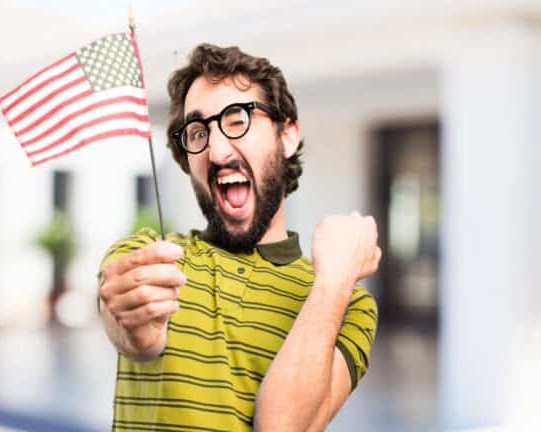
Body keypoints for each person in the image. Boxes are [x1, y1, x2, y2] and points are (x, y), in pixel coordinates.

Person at [97, 43, 380, 431]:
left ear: (287, 135)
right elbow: (133, 334)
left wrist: (333, 284)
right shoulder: (148, 255)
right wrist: (135, 326)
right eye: (198, 132)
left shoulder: (349, 305)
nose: (215, 152)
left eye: (236, 120)